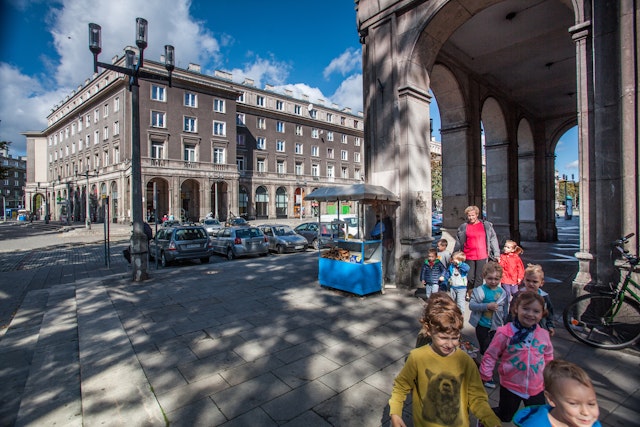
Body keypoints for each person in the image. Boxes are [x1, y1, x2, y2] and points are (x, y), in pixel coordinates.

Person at [389, 292, 501, 427]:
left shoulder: (465, 361)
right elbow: (401, 386)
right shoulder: (417, 357)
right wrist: (395, 412)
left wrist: (489, 418)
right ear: (428, 330)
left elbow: (477, 396)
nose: (449, 344)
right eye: (443, 338)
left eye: (455, 338)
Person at [479, 291, 554, 423]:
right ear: (516, 309)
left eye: (536, 311)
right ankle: (485, 418)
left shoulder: (543, 334)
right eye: (525, 309)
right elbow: (491, 355)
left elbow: (548, 355)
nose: (530, 314)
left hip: (536, 386)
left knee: (537, 418)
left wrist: (550, 376)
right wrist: (485, 374)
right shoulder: (505, 333)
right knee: (505, 415)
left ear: (542, 314)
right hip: (510, 385)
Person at [513, 360, 602, 427]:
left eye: (591, 404)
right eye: (573, 404)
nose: (586, 412)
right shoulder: (535, 424)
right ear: (551, 399)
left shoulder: (590, 423)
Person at [469, 262, 507, 388]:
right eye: (490, 278)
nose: (493, 281)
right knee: (486, 350)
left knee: (495, 350)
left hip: (496, 326)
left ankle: (487, 369)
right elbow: (472, 305)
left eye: (496, 279)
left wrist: (506, 323)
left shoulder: (502, 292)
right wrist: (486, 306)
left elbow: (505, 309)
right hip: (482, 325)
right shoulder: (480, 291)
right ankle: (486, 375)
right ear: (484, 277)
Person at [454, 205, 500, 302]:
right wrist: (454, 254)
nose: (471, 217)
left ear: (477, 215)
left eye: (473, 215)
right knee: (470, 277)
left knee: (479, 278)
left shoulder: (486, 225)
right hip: (468, 255)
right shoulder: (463, 227)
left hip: (482, 255)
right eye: (469, 215)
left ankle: (475, 296)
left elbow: (493, 239)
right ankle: (470, 291)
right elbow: (458, 241)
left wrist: (496, 254)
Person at [507, 264, 556, 336]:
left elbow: (549, 313)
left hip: (539, 330)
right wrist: (509, 326)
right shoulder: (518, 295)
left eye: (535, 282)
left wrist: (550, 326)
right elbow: (511, 312)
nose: (531, 284)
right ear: (524, 280)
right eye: (528, 280)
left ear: (541, 283)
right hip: (520, 329)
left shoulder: (544, 297)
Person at [498, 240, 524, 304]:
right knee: (507, 292)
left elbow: (520, 268)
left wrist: (520, 277)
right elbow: (500, 266)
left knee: (515, 293)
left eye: (508, 247)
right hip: (505, 278)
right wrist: (499, 261)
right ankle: (505, 307)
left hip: (514, 279)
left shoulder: (516, 258)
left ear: (512, 250)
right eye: (505, 246)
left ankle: (515, 305)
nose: (505, 248)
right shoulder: (502, 256)